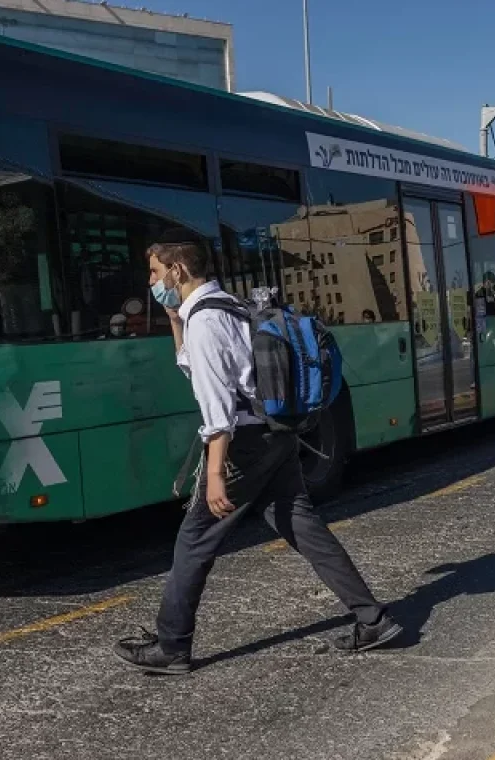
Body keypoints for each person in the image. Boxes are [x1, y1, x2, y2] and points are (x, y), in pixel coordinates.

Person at [114, 238, 401, 675]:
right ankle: (372, 619)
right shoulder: (228, 306)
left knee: (193, 540)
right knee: (303, 528)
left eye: (155, 272)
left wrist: (214, 473)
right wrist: (175, 320)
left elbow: (217, 407)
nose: (150, 282)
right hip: (276, 435)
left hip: (244, 444)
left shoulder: (207, 322)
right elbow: (197, 365)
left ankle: (172, 645)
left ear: (176, 271)